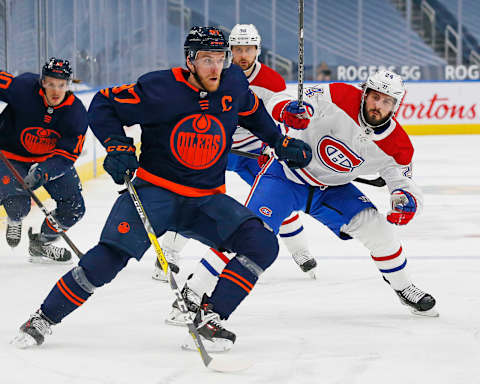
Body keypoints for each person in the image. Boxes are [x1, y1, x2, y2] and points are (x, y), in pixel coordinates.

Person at [11, 26, 311, 350]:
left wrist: (278, 141)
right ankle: (42, 318)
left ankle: (211, 319)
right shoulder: (160, 88)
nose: (215, 67)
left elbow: (251, 111)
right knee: (106, 260)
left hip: (205, 199)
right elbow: (103, 104)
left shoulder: (233, 82)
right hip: (154, 192)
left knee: (262, 243)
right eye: (206, 59)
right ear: (190, 60)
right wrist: (118, 147)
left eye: (220, 59)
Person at [175, 70, 439, 349]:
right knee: (247, 234)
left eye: (387, 102)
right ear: (365, 93)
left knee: (379, 230)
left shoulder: (398, 145)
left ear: (396, 105)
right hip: (286, 176)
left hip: (333, 190)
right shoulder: (339, 95)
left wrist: (405, 200)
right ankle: (194, 291)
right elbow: (287, 99)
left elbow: (403, 182)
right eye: (375, 97)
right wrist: (288, 110)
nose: (378, 106)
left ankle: (403, 287)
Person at [153, 23, 317, 285]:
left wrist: (273, 146)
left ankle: (300, 251)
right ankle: (169, 254)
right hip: (216, 147)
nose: (243, 55)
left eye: (248, 49)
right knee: (195, 196)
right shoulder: (213, 74)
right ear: (229, 51)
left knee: (276, 196)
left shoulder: (271, 81)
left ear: (258, 50)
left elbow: (280, 116)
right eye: (237, 49)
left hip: (255, 149)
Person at [0, 58, 87, 263]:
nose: (56, 91)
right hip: (11, 156)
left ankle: (41, 243)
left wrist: (43, 172)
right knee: (18, 204)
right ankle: (15, 217)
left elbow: (68, 155)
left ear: (68, 85)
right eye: (50, 83)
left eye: (61, 85)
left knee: (74, 208)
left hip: (48, 160)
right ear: (42, 82)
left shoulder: (76, 113)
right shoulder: (22, 88)